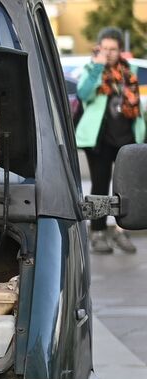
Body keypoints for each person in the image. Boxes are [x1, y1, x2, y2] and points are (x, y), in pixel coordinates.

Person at [77, 28, 143, 254]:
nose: (109, 53)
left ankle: (120, 230)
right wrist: (97, 66)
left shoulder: (129, 71)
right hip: (100, 139)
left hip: (126, 138)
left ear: (120, 51)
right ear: (99, 48)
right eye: (105, 48)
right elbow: (84, 93)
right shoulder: (92, 69)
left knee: (127, 188)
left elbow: (137, 106)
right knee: (100, 185)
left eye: (113, 49)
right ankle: (97, 232)